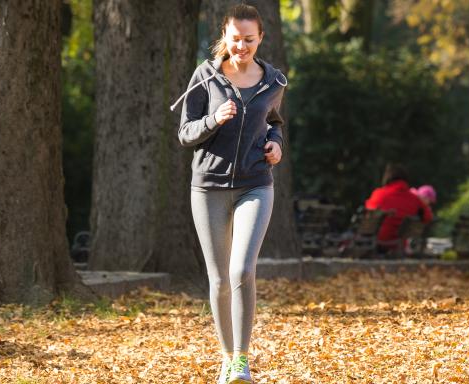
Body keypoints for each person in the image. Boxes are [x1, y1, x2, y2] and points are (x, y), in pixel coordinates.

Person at [175, 4, 286, 384]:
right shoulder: (205, 77)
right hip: (208, 187)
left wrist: (276, 144)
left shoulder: (274, 81)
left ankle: (241, 361)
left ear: (261, 38)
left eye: (249, 40)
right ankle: (226, 358)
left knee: (242, 270)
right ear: (225, 36)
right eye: (236, 39)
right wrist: (214, 119)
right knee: (220, 280)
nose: (242, 46)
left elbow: (273, 122)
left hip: (256, 183)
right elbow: (185, 133)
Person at [365, 164, 433, 252]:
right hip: (399, 245)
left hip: (375, 242)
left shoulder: (378, 194)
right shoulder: (414, 199)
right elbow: (428, 217)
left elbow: (368, 213)